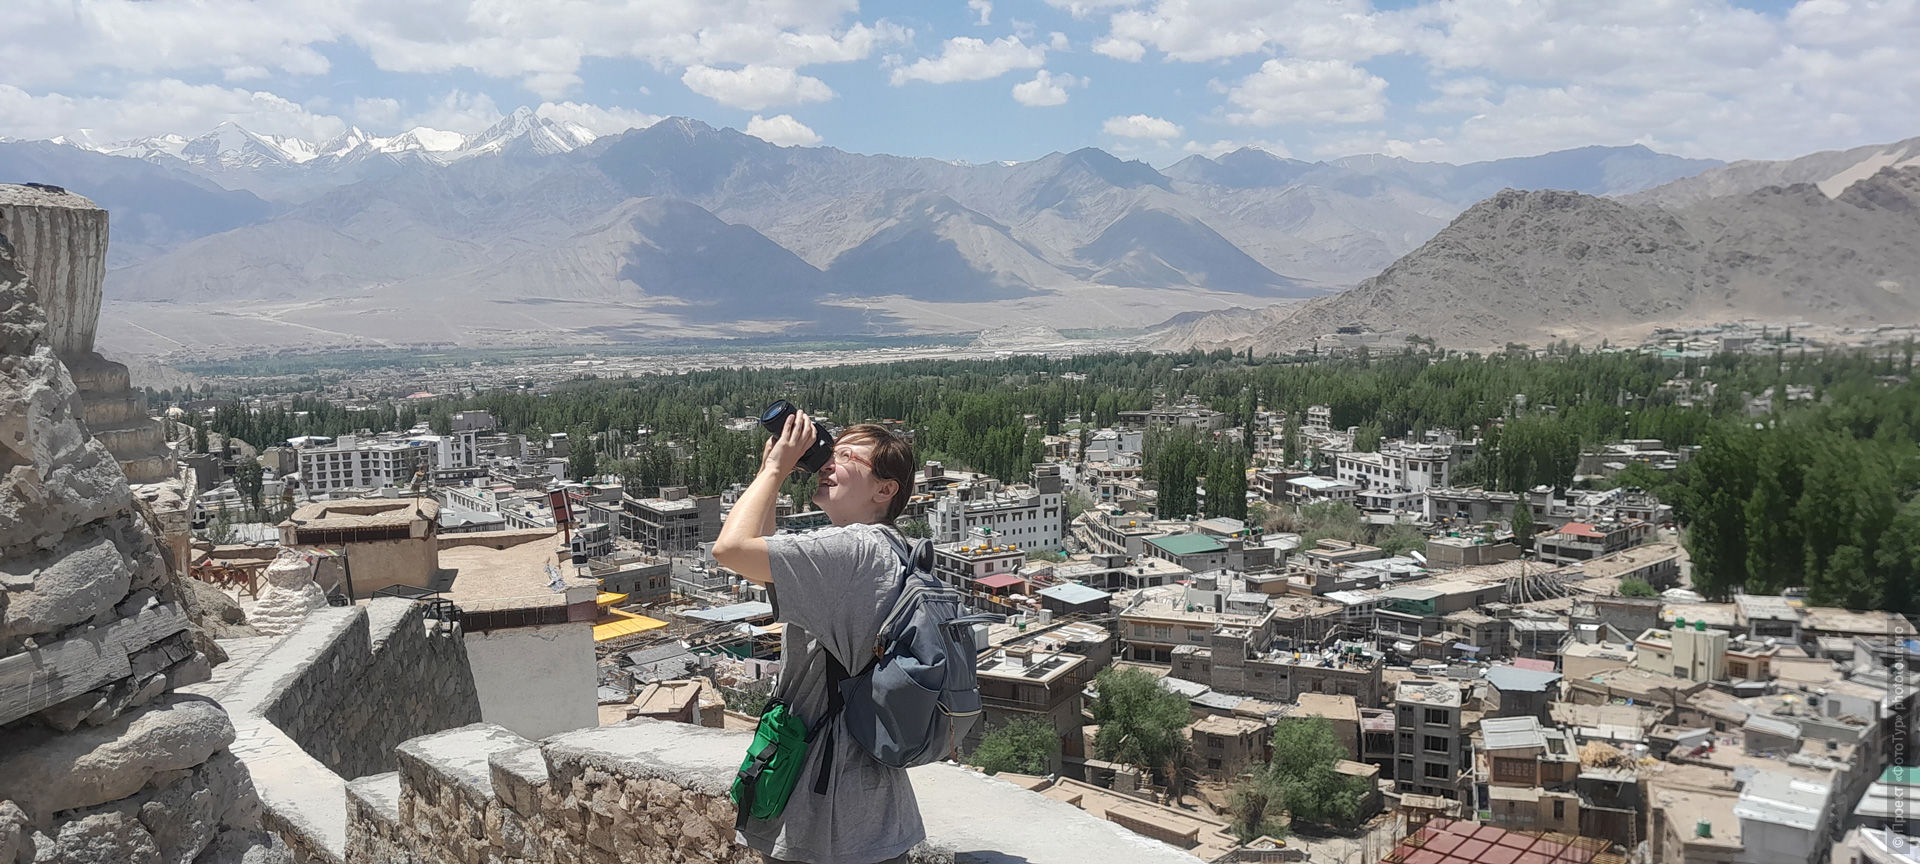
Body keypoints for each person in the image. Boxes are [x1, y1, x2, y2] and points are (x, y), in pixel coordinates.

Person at [712, 411, 925, 864]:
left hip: (829, 813)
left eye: (847, 457)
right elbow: (763, 558)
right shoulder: (887, 548)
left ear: (885, 490)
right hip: (873, 805)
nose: (828, 462)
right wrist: (771, 471)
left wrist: (774, 471)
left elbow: (730, 549)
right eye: (832, 450)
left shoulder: (853, 550)